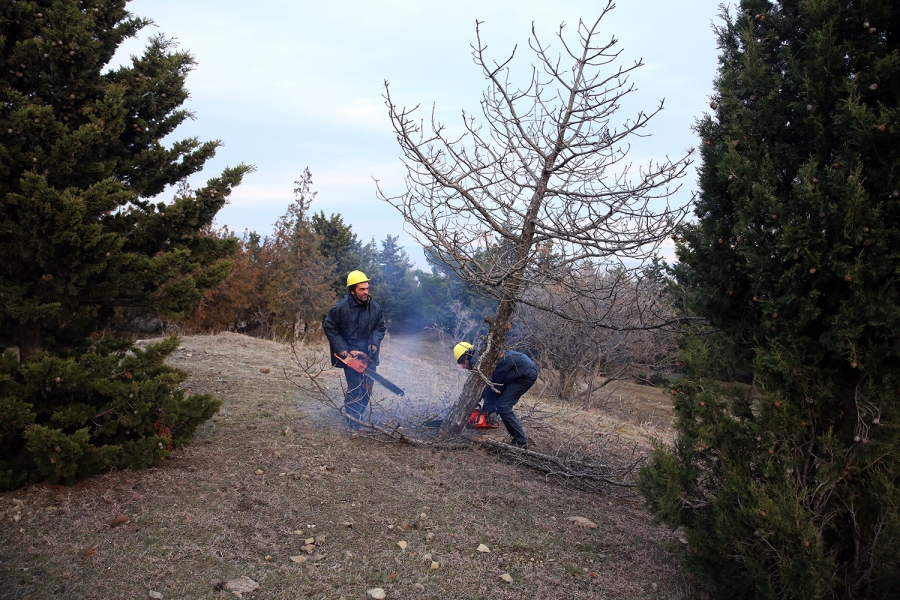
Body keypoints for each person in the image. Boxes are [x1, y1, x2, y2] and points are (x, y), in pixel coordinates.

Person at [323, 271, 387, 429]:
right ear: (352, 291)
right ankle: (353, 421)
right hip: (351, 355)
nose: (366, 292)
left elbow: (380, 326)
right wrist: (341, 348)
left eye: (367, 288)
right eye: (361, 289)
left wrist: (374, 342)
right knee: (356, 387)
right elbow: (329, 326)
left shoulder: (374, 307)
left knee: (367, 388)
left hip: (369, 354)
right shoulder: (340, 308)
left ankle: (359, 414)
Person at [453, 341, 538, 448]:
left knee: (503, 406)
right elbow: (493, 386)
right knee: (500, 402)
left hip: (524, 374)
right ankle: (494, 416)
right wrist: (488, 409)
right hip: (517, 372)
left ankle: (521, 442)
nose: (463, 366)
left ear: (468, 355)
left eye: (462, 361)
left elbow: (488, 387)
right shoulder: (481, 356)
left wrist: (487, 408)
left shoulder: (478, 362)